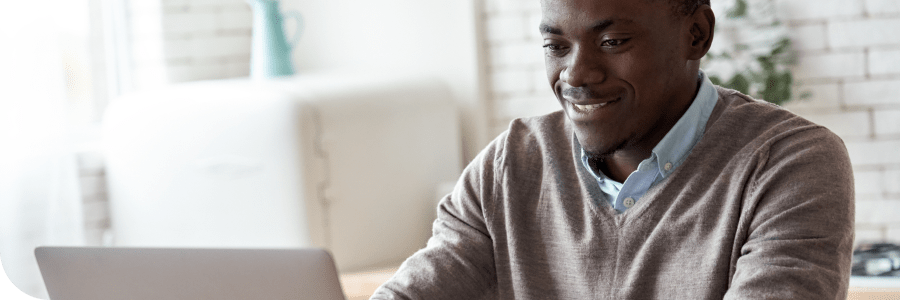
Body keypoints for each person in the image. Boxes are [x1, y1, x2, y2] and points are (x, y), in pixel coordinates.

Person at [371, 0, 854, 298]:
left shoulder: (789, 164)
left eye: (612, 40)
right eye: (556, 46)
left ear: (697, 34)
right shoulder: (510, 165)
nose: (576, 75)